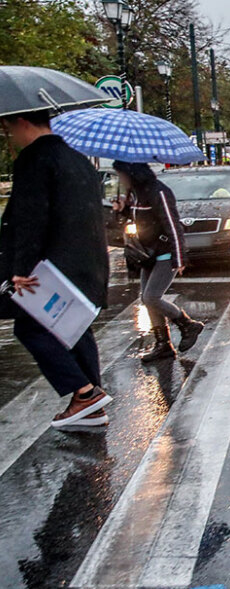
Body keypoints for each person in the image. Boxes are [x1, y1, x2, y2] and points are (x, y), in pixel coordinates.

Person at [0, 110, 111, 429]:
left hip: (51, 266)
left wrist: (21, 268)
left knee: (30, 328)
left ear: (22, 123)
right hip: (87, 263)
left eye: (9, 128)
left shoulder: (34, 159)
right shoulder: (79, 160)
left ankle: (85, 393)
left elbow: (31, 218)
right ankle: (92, 406)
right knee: (75, 327)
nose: (11, 136)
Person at [111, 161, 203, 361]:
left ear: (132, 173)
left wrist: (180, 257)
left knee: (151, 297)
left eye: (122, 175)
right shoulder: (135, 194)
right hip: (147, 254)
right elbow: (142, 220)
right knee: (146, 298)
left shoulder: (159, 192)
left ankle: (187, 324)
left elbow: (173, 225)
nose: (121, 180)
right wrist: (123, 209)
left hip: (165, 253)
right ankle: (163, 345)